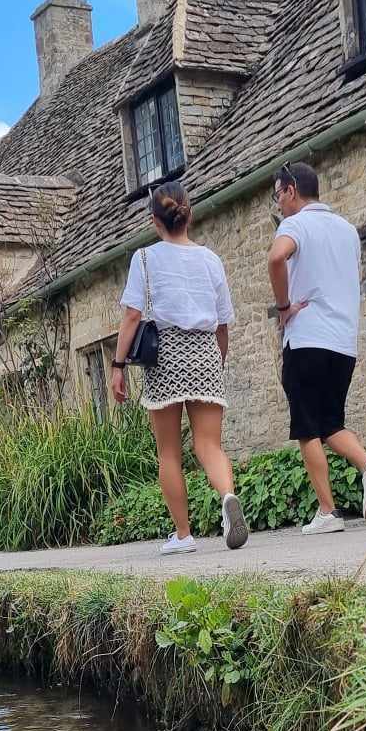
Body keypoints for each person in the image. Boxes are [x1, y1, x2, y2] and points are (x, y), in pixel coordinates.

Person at [112, 181, 249, 556]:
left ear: (155, 220)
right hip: (205, 351)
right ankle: (227, 497)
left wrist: (117, 364)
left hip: (166, 353)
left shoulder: (144, 259)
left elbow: (132, 315)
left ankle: (184, 535)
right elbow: (223, 324)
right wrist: (215, 360)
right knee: (209, 444)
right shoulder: (210, 260)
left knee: (169, 451)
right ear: (189, 214)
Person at [267, 162, 366, 534]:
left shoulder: (296, 224)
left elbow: (276, 258)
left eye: (278, 195)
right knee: (330, 422)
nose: (278, 204)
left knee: (307, 427)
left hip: (307, 338)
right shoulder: (347, 230)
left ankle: (327, 512)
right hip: (343, 343)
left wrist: (284, 306)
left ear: (291, 190)